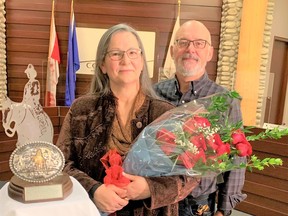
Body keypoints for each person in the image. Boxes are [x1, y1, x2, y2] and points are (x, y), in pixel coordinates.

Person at [56, 23, 199, 215]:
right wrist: (93, 190)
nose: (125, 60)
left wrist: (149, 188)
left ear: (141, 62)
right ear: (103, 65)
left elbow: (189, 176)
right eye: (116, 53)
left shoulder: (165, 113)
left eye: (133, 52)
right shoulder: (82, 110)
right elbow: (60, 165)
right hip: (93, 210)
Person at [154, 20, 247, 216]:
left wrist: (224, 209)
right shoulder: (155, 93)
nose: (190, 49)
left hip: (198, 205)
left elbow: (237, 159)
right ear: (172, 51)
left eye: (199, 43)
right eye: (183, 42)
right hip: (156, 198)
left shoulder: (225, 100)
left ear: (210, 53)